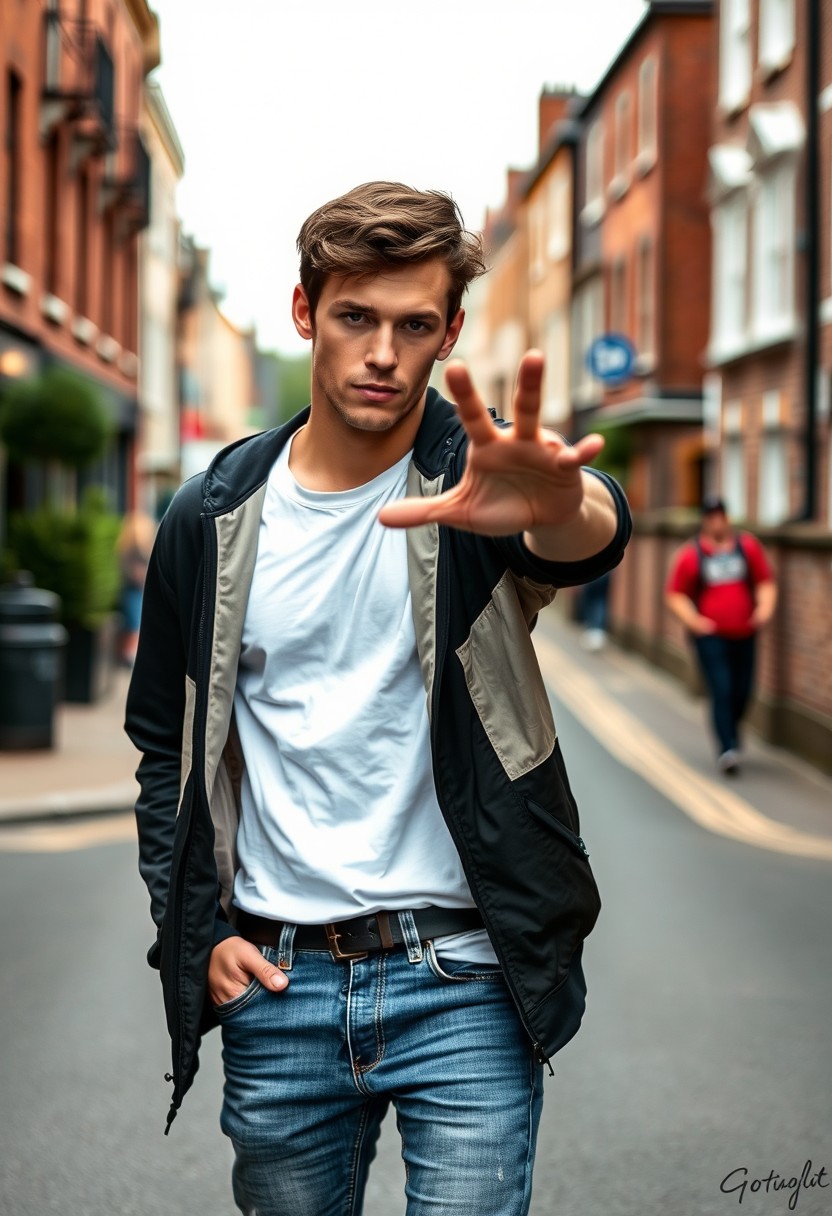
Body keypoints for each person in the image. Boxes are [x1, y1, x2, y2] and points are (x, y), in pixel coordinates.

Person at [125, 181, 632, 1216]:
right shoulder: (211, 518)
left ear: (449, 331)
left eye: (414, 325)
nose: (383, 354)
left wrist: (559, 501)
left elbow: (582, 535)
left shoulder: (474, 483)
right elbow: (161, 748)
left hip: (464, 981)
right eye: (355, 316)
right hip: (278, 980)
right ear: (306, 311)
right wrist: (195, 938)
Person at [665, 495, 776, 775]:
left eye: (721, 515)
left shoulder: (747, 547)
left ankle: (731, 733)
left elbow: (765, 582)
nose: (718, 520)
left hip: (744, 633)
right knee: (722, 689)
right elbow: (675, 594)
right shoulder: (692, 555)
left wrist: (763, 610)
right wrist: (694, 621)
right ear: (705, 520)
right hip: (710, 637)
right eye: (712, 515)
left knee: (743, 690)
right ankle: (727, 749)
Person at [115, 511, 155, 667]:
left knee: (133, 620)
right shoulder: (139, 546)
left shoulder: (126, 545)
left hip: (134, 588)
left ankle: (130, 653)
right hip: (135, 589)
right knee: (134, 620)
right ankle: (131, 653)